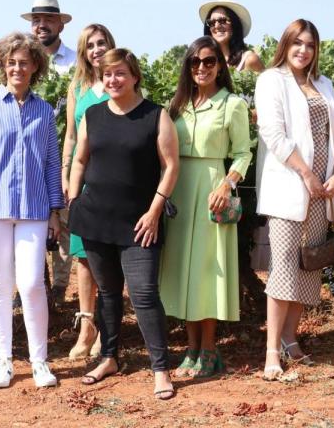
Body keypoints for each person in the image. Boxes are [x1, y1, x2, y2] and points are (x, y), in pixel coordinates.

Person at [68, 48, 180, 400]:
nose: (113, 80)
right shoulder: (93, 115)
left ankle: (160, 369)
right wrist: (73, 200)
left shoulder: (155, 115)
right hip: (96, 218)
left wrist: (155, 211)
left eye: (119, 74)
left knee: (144, 294)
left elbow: (171, 166)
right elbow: (80, 159)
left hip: (139, 223)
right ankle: (109, 357)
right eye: (107, 74)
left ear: (134, 77)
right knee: (108, 292)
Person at [0, 32, 65, 389]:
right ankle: (4, 361)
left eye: (24, 62)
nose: (17, 68)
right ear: (2, 66)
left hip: (35, 208)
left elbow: (52, 163)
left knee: (33, 283)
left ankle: (40, 361)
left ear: (36, 66)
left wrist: (54, 210)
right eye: (11, 62)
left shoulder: (44, 110)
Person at [254, 20, 334, 381]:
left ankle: (292, 339)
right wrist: (307, 174)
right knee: (283, 271)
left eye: (309, 45)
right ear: (286, 45)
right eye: (297, 43)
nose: (303, 51)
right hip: (290, 188)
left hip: (321, 192)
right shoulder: (271, 80)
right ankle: (272, 352)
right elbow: (273, 135)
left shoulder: (323, 84)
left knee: (309, 267)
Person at [159, 36, 252, 378]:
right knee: (183, 269)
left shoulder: (232, 105)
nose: (202, 68)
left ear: (220, 65)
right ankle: (192, 348)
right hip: (179, 189)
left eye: (210, 61)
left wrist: (227, 185)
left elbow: (243, 152)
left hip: (213, 189)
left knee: (206, 272)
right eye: (195, 62)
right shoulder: (178, 104)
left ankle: (209, 350)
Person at [60, 24, 116, 360]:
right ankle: (86, 327)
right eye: (90, 45)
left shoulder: (119, 80)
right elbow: (69, 135)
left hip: (114, 179)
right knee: (82, 256)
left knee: (108, 257)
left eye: (101, 43)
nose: (96, 49)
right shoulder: (78, 87)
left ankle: (108, 330)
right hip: (84, 179)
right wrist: (67, 178)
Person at [21, 0, 75, 305]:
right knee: (29, 222)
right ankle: (36, 283)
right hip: (31, 158)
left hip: (62, 155)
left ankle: (59, 289)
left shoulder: (73, 62)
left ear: (60, 24)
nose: (41, 25)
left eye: (47, 20)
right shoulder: (22, 62)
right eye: (36, 20)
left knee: (63, 224)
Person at [198, 0, 264, 73]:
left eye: (222, 21)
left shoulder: (249, 60)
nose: (217, 26)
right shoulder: (205, 61)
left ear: (235, 24)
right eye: (211, 23)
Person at [23, 0, 76, 74]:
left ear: (61, 27)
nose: (42, 25)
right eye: (36, 20)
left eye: (49, 20)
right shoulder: (22, 60)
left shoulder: (76, 61)